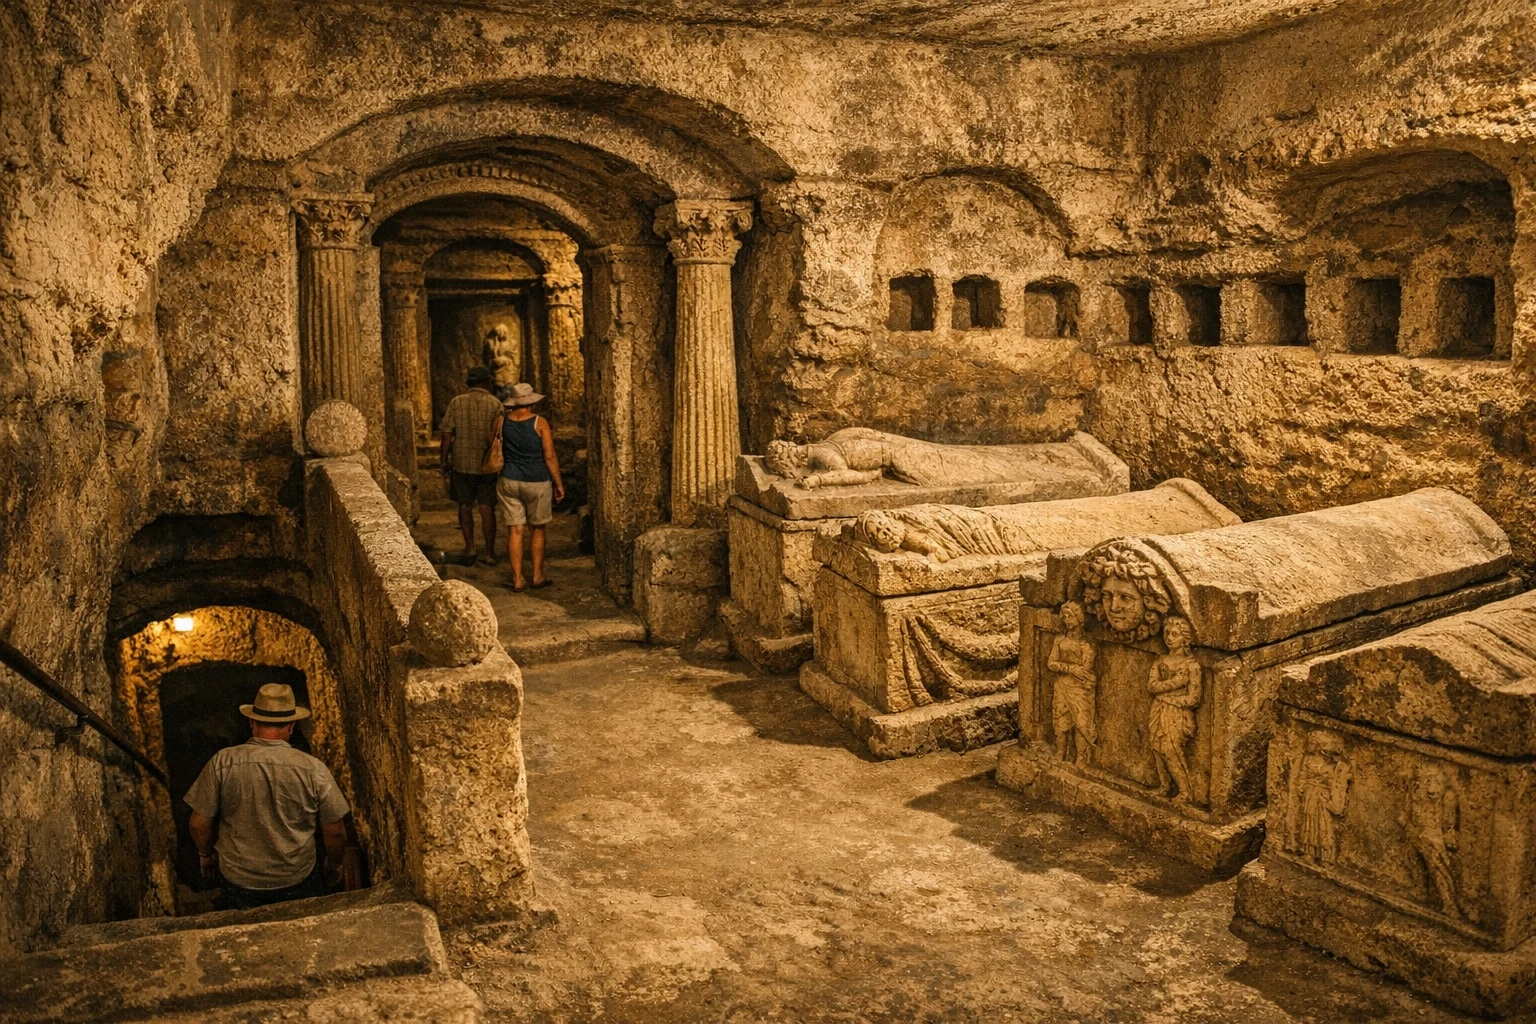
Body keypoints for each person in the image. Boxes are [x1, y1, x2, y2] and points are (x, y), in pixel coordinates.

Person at [185, 683, 361, 909]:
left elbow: (198, 824)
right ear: (292, 725)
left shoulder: (223, 762)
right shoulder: (313, 769)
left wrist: (205, 855)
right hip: (296, 878)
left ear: (251, 722)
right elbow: (335, 831)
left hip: (239, 880)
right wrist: (334, 864)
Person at [493, 382, 565, 591]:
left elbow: (492, 445)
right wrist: (558, 483)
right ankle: (537, 575)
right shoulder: (540, 422)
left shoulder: (501, 422)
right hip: (537, 481)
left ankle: (517, 579)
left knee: (515, 530)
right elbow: (549, 456)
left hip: (508, 480)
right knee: (537, 529)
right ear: (531, 401)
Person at [439, 366, 503, 565]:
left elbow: (447, 434)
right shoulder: (496, 404)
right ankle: (490, 553)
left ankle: (470, 547)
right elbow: (500, 436)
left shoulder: (456, 403)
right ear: (486, 382)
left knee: (464, 506)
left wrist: (443, 460)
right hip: (487, 465)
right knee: (486, 507)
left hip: (462, 463)